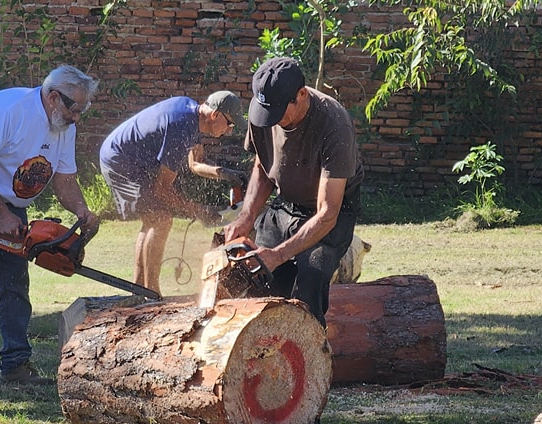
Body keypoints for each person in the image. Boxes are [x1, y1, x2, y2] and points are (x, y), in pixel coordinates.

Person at [0, 65, 100, 386]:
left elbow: (64, 177)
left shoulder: (63, 126)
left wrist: (83, 210)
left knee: (15, 284)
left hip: (11, 204)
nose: (77, 117)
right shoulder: (8, 109)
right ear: (54, 97)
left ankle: (16, 363)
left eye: (83, 110)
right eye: (74, 108)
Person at [223, 57, 363, 327]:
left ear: (302, 94)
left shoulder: (335, 125)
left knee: (308, 284)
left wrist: (278, 254)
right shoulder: (262, 110)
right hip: (286, 202)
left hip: (331, 212)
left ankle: (311, 360)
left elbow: (327, 213)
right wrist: (246, 217)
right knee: (259, 279)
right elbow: (263, 167)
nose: (271, 119)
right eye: (266, 110)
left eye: (278, 111)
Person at [100, 91, 247, 294]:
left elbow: (195, 164)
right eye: (229, 124)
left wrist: (226, 174)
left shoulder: (191, 115)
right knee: (160, 219)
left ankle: (139, 289)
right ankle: (151, 293)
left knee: (153, 219)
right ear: (215, 115)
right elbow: (162, 190)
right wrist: (198, 210)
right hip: (121, 161)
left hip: (126, 157)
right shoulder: (182, 127)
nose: (229, 131)